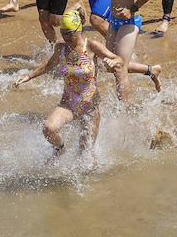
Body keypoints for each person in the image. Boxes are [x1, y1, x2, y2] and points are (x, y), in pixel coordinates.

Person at [15, 9, 121, 157]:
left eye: (69, 33)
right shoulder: (61, 47)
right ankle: (60, 149)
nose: (66, 37)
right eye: (63, 33)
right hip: (68, 103)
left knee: (85, 156)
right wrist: (29, 76)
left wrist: (113, 61)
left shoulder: (91, 46)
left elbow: (119, 59)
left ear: (79, 30)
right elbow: (49, 64)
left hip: (90, 105)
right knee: (48, 129)